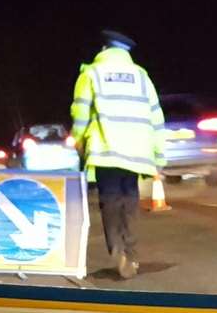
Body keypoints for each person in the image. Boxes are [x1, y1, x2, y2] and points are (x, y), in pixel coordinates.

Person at [70, 30, 165, 279]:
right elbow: (156, 116)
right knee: (130, 202)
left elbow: (81, 112)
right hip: (136, 152)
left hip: (106, 151)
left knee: (110, 202)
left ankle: (118, 250)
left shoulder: (91, 73)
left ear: (103, 50)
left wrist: (78, 139)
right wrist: (159, 156)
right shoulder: (141, 76)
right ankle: (132, 256)